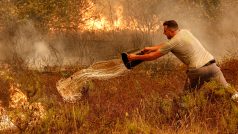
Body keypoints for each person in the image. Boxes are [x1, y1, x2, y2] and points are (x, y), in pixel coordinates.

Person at [127, 20, 238, 99]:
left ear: (170, 31)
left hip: (197, 71)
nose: (163, 33)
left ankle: (180, 122)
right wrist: (150, 48)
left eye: (165, 31)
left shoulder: (173, 42)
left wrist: (135, 57)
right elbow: (167, 44)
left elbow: (153, 56)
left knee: (186, 98)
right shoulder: (185, 32)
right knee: (229, 91)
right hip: (213, 66)